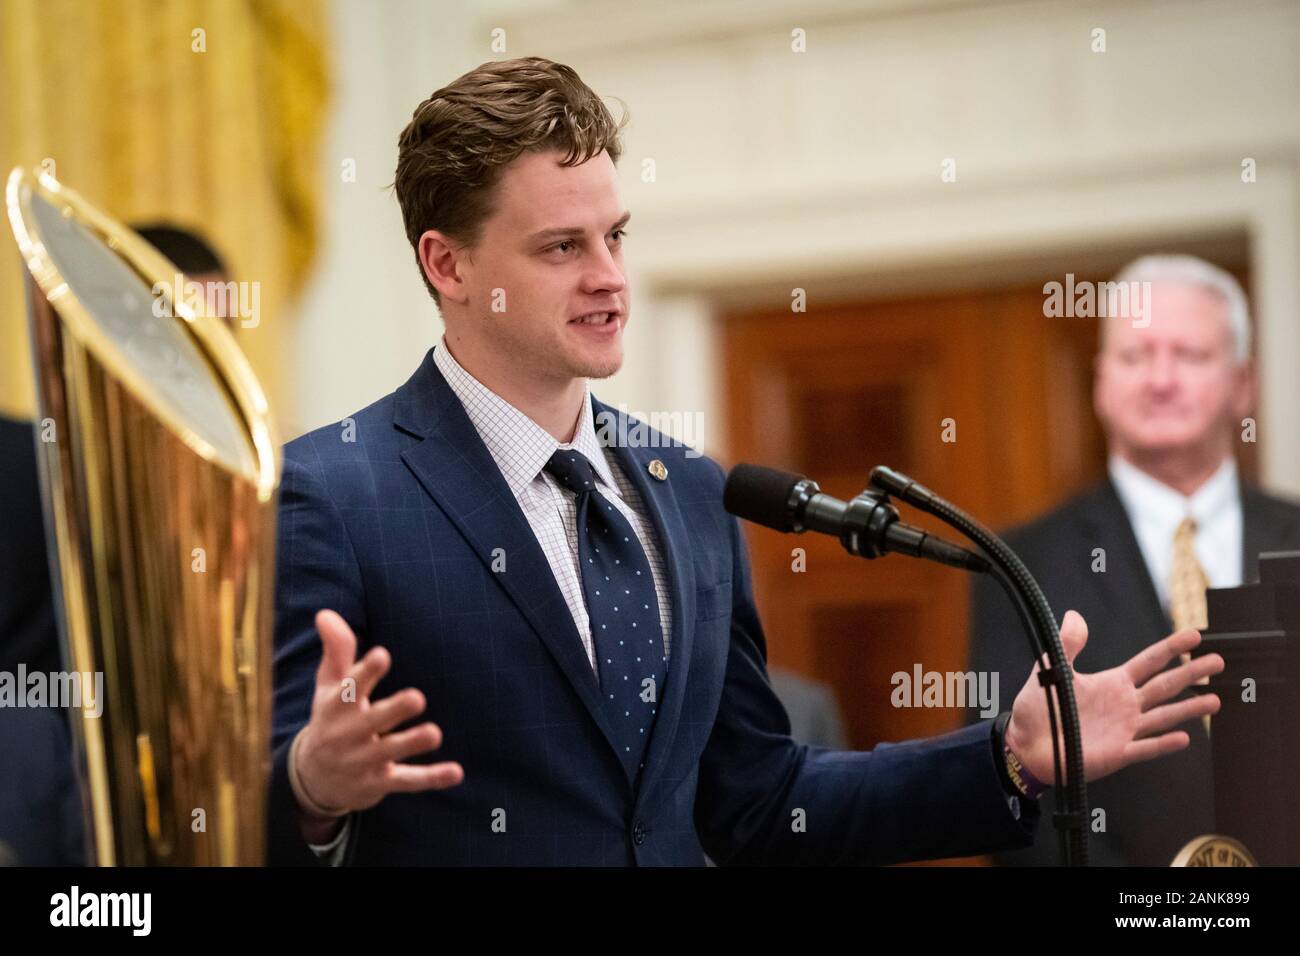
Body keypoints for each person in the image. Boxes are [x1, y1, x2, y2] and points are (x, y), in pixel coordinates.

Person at [266, 57, 1222, 867]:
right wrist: (311, 789)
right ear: (449, 264)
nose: (608, 276)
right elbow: (237, 821)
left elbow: (759, 797)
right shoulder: (334, 495)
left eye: (615, 236)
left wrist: (1008, 761)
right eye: (562, 246)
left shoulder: (688, 488)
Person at [969, 255, 1300, 865]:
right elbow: (1011, 788)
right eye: (1135, 356)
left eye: (1191, 355)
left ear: (1244, 383)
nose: (1160, 379)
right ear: (1100, 380)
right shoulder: (1020, 564)